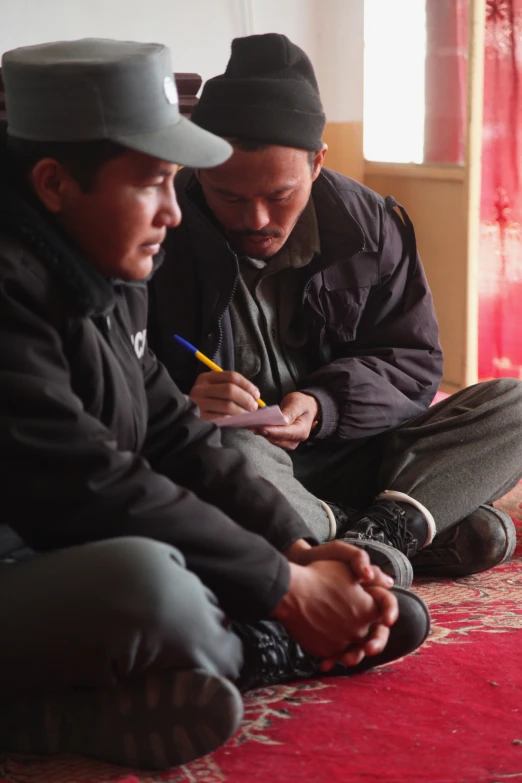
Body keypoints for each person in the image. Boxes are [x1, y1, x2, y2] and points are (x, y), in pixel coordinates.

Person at [0, 38, 430, 772]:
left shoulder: (106, 252)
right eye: (154, 183)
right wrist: (287, 589)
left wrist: (294, 547)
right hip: (34, 555)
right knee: (155, 586)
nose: (174, 211)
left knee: (385, 607)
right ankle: (47, 714)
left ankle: (224, 648)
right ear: (53, 182)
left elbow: (172, 435)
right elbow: (87, 484)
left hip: (71, 547)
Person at [148, 32, 522, 588]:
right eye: (230, 196)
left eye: (279, 195)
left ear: (318, 161)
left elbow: (412, 360)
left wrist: (324, 406)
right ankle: (385, 530)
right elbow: (118, 374)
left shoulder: (368, 223)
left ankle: (358, 537)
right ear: (200, 169)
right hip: (249, 462)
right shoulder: (157, 229)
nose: (255, 219)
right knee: (223, 450)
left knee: (512, 403)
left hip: (358, 449)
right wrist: (185, 398)